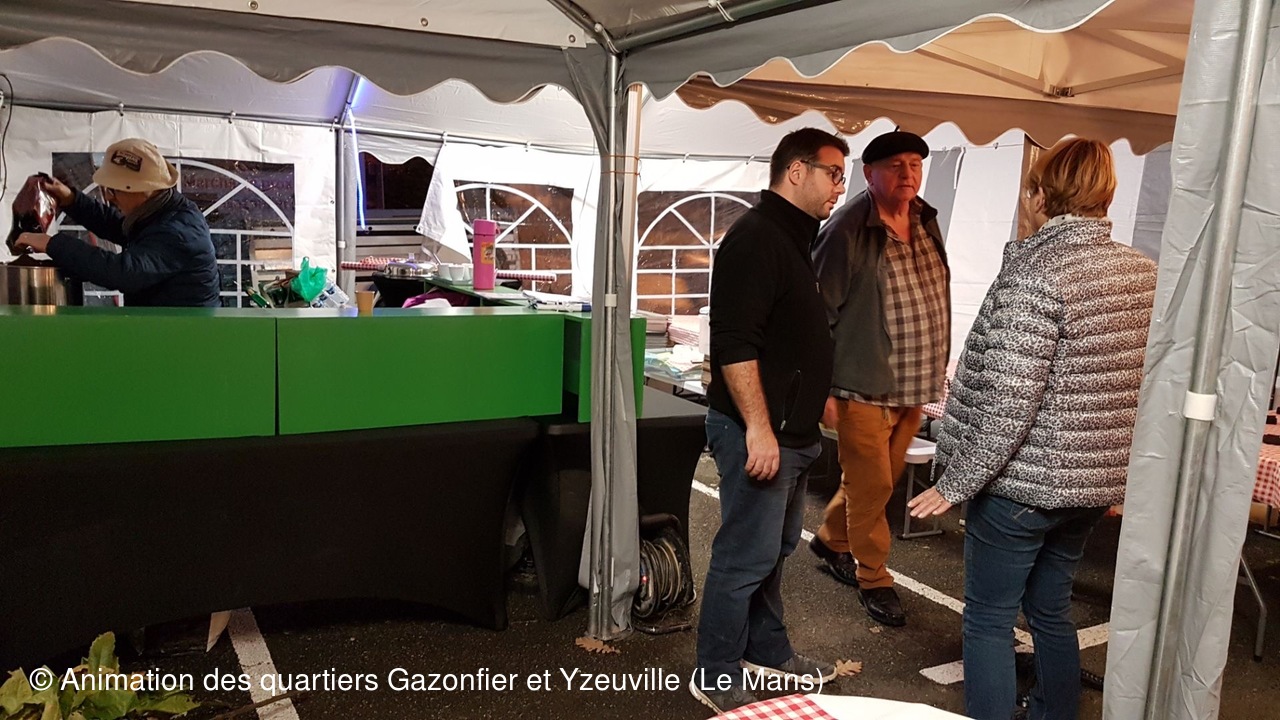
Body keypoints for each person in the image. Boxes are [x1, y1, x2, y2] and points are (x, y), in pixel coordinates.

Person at [907, 138, 1157, 720]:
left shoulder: (1035, 275)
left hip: (1021, 488)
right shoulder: (1144, 273)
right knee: (1051, 611)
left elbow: (1008, 404)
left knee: (989, 620)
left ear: (1039, 196)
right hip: (1090, 487)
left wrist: (954, 484)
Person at [690, 128, 848, 714]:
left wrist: (815, 402)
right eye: (834, 173)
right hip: (761, 434)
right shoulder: (757, 237)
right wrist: (759, 428)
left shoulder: (795, 238)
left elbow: (791, 338)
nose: (840, 186)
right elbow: (735, 342)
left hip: (793, 434)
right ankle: (715, 671)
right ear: (796, 170)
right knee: (744, 556)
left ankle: (767, 650)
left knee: (774, 550)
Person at [808, 130, 950, 628]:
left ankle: (831, 539)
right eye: (895, 165)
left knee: (877, 483)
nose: (908, 174)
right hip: (862, 383)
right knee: (873, 486)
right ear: (869, 174)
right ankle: (873, 577)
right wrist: (823, 387)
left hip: (915, 381)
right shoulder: (846, 228)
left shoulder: (925, 219)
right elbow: (819, 313)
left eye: (915, 164)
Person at [14, 137, 220, 307]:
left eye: (114, 190)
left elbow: (123, 273)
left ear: (144, 190)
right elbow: (117, 226)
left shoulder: (178, 231)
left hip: (185, 335)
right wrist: (71, 200)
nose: (109, 197)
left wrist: (52, 243)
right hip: (164, 327)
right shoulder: (158, 214)